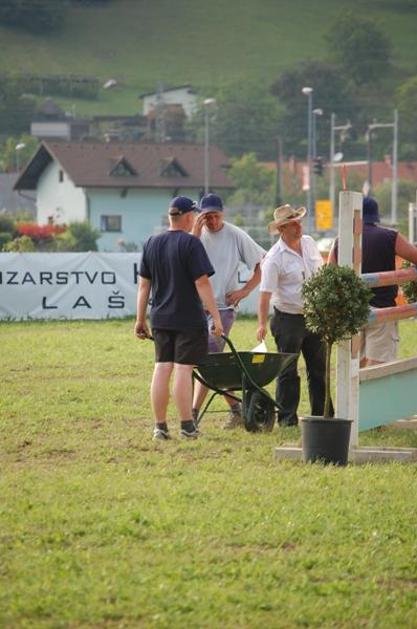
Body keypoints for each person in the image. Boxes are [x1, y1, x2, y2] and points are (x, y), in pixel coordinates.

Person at [135, 196, 223, 440]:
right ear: (188, 217)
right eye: (193, 215)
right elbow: (202, 283)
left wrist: (140, 319)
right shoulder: (191, 243)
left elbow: (144, 285)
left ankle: (160, 427)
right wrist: (216, 317)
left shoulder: (151, 242)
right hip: (188, 318)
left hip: (160, 317)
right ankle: (186, 426)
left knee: (162, 367)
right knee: (183, 369)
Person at [191, 193, 266, 428]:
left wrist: (244, 291)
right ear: (200, 216)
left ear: (223, 213)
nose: (212, 221)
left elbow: (262, 264)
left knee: (208, 358)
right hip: (197, 308)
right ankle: (235, 408)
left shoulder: (235, 235)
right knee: (203, 361)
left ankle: (192, 414)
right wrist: (194, 234)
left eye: (216, 216)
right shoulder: (195, 236)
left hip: (223, 308)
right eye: (207, 217)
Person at [256, 204, 333, 426]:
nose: (298, 226)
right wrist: (261, 324)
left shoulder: (309, 242)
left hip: (314, 315)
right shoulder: (274, 258)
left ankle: (323, 415)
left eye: (298, 222)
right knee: (288, 371)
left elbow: (321, 274)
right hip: (287, 319)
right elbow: (264, 294)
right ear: (282, 229)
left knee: (319, 368)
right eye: (293, 224)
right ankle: (287, 419)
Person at [328, 196, 417, 367]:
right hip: (382, 309)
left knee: (355, 367)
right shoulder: (390, 236)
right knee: (379, 367)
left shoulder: (340, 241)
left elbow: (329, 274)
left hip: (352, 311)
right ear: (376, 215)